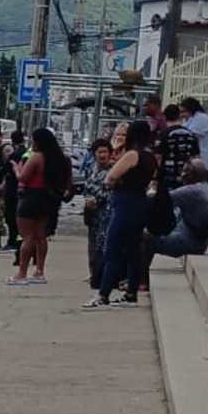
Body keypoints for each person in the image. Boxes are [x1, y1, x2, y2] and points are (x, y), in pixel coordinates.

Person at [84, 119, 157, 308]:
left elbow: (110, 177)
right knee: (133, 250)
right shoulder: (150, 157)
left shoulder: (132, 155)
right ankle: (131, 292)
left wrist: (116, 173)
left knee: (113, 249)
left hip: (125, 204)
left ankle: (103, 294)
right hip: (140, 203)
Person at [10, 128, 71, 286]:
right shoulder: (60, 159)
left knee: (27, 237)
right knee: (40, 236)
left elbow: (23, 178)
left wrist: (16, 168)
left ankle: (21, 274)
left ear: (38, 141)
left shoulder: (37, 157)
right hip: (48, 200)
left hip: (31, 197)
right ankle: (39, 271)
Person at [143, 158, 208, 276]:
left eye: (184, 172)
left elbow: (161, 200)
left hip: (189, 243)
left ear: (192, 175)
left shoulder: (193, 191)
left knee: (144, 237)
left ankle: (140, 278)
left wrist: (149, 190)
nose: (181, 176)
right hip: (200, 242)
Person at [83, 139, 114, 290]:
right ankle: (93, 273)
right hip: (92, 214)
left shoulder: (113, 171)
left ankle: (101, 276)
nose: (102, 155)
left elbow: (112, 193)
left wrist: (97, 199)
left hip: (106, 214)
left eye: (105, 152)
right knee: (92, 245)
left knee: (103, 245)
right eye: (99, 152)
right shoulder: (91, 169)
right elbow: (86, 188)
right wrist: (88, 200)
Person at [157, 104, 200, 191]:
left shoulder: (163, 134)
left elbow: (158, 157)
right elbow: (196, 157)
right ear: (179, 116)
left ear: (164, 117)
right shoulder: (190, 134)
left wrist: (155, 177)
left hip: (167, 177)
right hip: (186, 177)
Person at [2, 130, 26, 251]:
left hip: (12, 188)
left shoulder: (14, 155)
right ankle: (19, 240)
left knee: (10, 216)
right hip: (23, 189)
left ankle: (12, 240)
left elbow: (6, 170)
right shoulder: (26, 153)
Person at [181, 97, 208, 168]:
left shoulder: (201, 118)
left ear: (191, 109)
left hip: (201, 158)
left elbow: (191, 135)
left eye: (184, 111)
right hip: (193, 158)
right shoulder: (191, 118)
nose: (181, 115)